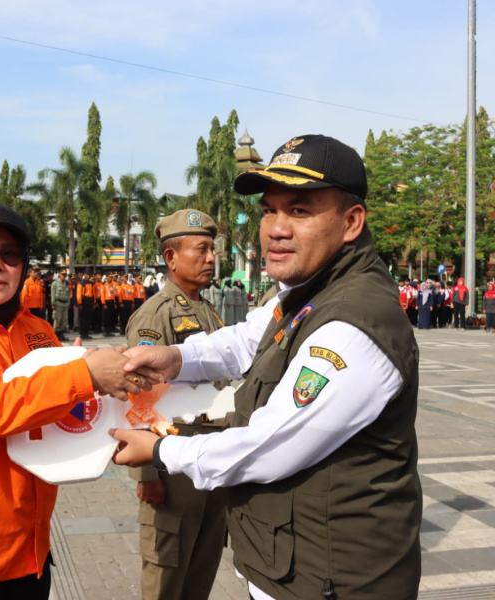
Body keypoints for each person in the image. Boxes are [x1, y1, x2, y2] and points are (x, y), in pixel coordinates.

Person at [111, 135, 422, 600]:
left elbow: (268, 446)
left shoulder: (354, 321)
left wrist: (159, 454)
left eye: (299, 211)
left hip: (334, 582)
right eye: (269, 210)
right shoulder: (309, 292)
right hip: (296, 567)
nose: (276, 228)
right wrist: (177, 358)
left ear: (351, 222)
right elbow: (245, 339)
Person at [0, 204, 150, 600]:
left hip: (29, 551)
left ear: (23, 264)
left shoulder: (38, 329)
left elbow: (56, 407)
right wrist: (85, 375)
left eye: (10, 254)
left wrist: (108, 376)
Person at [125, 209, 229, 600]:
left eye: (212, 249)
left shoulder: (208, 310)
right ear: (171, 258)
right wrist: (147, 475)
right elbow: (140, 397)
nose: (210, 257)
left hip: (211, 457)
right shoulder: (155, 316)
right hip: (173, 463)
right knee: (166, 577)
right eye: (200, 250)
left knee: (199, 574)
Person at [50, 269, 70, 341]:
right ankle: (56, 335)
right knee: (57, 320)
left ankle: (61, 335)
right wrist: (53, 304)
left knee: (64, 320)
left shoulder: (66, 283)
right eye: (62, 274)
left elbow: (68, 294)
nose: (64, 276)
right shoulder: (55, 283)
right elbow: (53, 294)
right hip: (58, 304)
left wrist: (68, 303)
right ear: (59, 274)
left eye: (65, 275)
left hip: (65, 304)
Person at [76, 271, 94, 339]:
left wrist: (93, 302)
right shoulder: (81, 283)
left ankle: (86, 332)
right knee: (83, 318)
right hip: (84, 302)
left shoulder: (90, 283)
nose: (88, 276)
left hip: (89, 301)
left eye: (89, 275)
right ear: (85, 275)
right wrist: (80, 304)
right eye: (87, 275)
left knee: (88, 318)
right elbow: (79, 294)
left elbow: (92, 293)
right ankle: (82, 333)